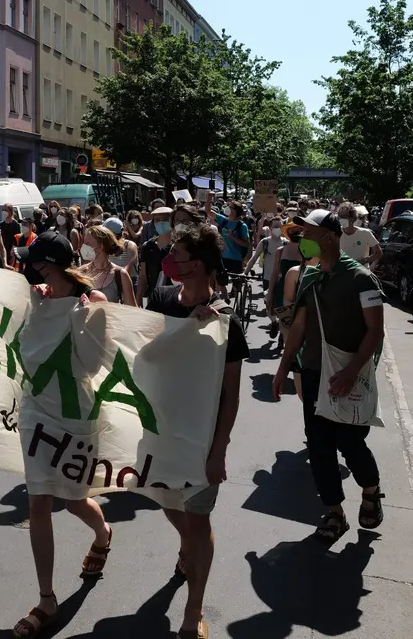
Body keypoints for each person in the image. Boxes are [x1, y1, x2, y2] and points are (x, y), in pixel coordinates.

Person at [145, 224, 247, 639]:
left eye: (178, 256)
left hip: (201, 439)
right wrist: (185, 328)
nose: (169, 261)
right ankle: (189, 547)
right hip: (160, 430)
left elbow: (231, 395)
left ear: (199, 265)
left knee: (198, 517)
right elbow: (144, 355)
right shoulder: (161, 300)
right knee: (167, 502)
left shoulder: (227, 323)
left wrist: (218, 450)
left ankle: (194, 610)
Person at [12, 232, 113, 639]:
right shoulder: (33, 299)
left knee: (73, 501)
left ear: (49, 265)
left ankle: (103, 534)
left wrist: (81, 321)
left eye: (34, 262)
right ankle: (46, 599)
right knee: (38, 500)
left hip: (75, 416)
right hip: (35, 411)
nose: (28, 269)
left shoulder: (93, 303)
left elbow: (90, 367)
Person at [272, 209, 385, 541]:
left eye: (310, 232)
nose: (303, 238)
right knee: (319, 446)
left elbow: (375, 331)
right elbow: (298, 328)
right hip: (314, 372)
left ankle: (371, 489)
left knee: (350, 443)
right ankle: (335, 512)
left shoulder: (361, 278)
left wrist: (351, 372)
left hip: (348, 376)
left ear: (331, 236)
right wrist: (283, 368)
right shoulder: (310, 278)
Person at [80, 224, 137, 305]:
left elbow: (132, 308)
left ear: (100, 246)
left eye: (87, 243)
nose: (83, 246)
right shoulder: (81, 272)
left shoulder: (120, 274)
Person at [210, 198, 251, 276]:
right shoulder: (224, 220)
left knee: (235, 282)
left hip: (236, 259)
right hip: (222, 258)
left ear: (235, 211)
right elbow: (208, 211)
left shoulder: (242, 226)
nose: (228, 208)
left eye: (231, 207)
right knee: (221, 281)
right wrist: (209, 198)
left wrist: (233, 238)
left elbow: (246, 244)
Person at [337, 202, 381, 266]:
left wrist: (363, 261)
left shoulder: (365, 233)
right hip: (343, 270)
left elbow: (378, 253)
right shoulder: (336, 232)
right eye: (340, 217)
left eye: (345, 217)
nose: (342, 219)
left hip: (361, 271)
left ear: (353, 218)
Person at [103, 216, 139, 283]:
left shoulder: (130, 245)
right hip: (109, 282)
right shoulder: (104, 246)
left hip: (128, 281)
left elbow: (127, 270)